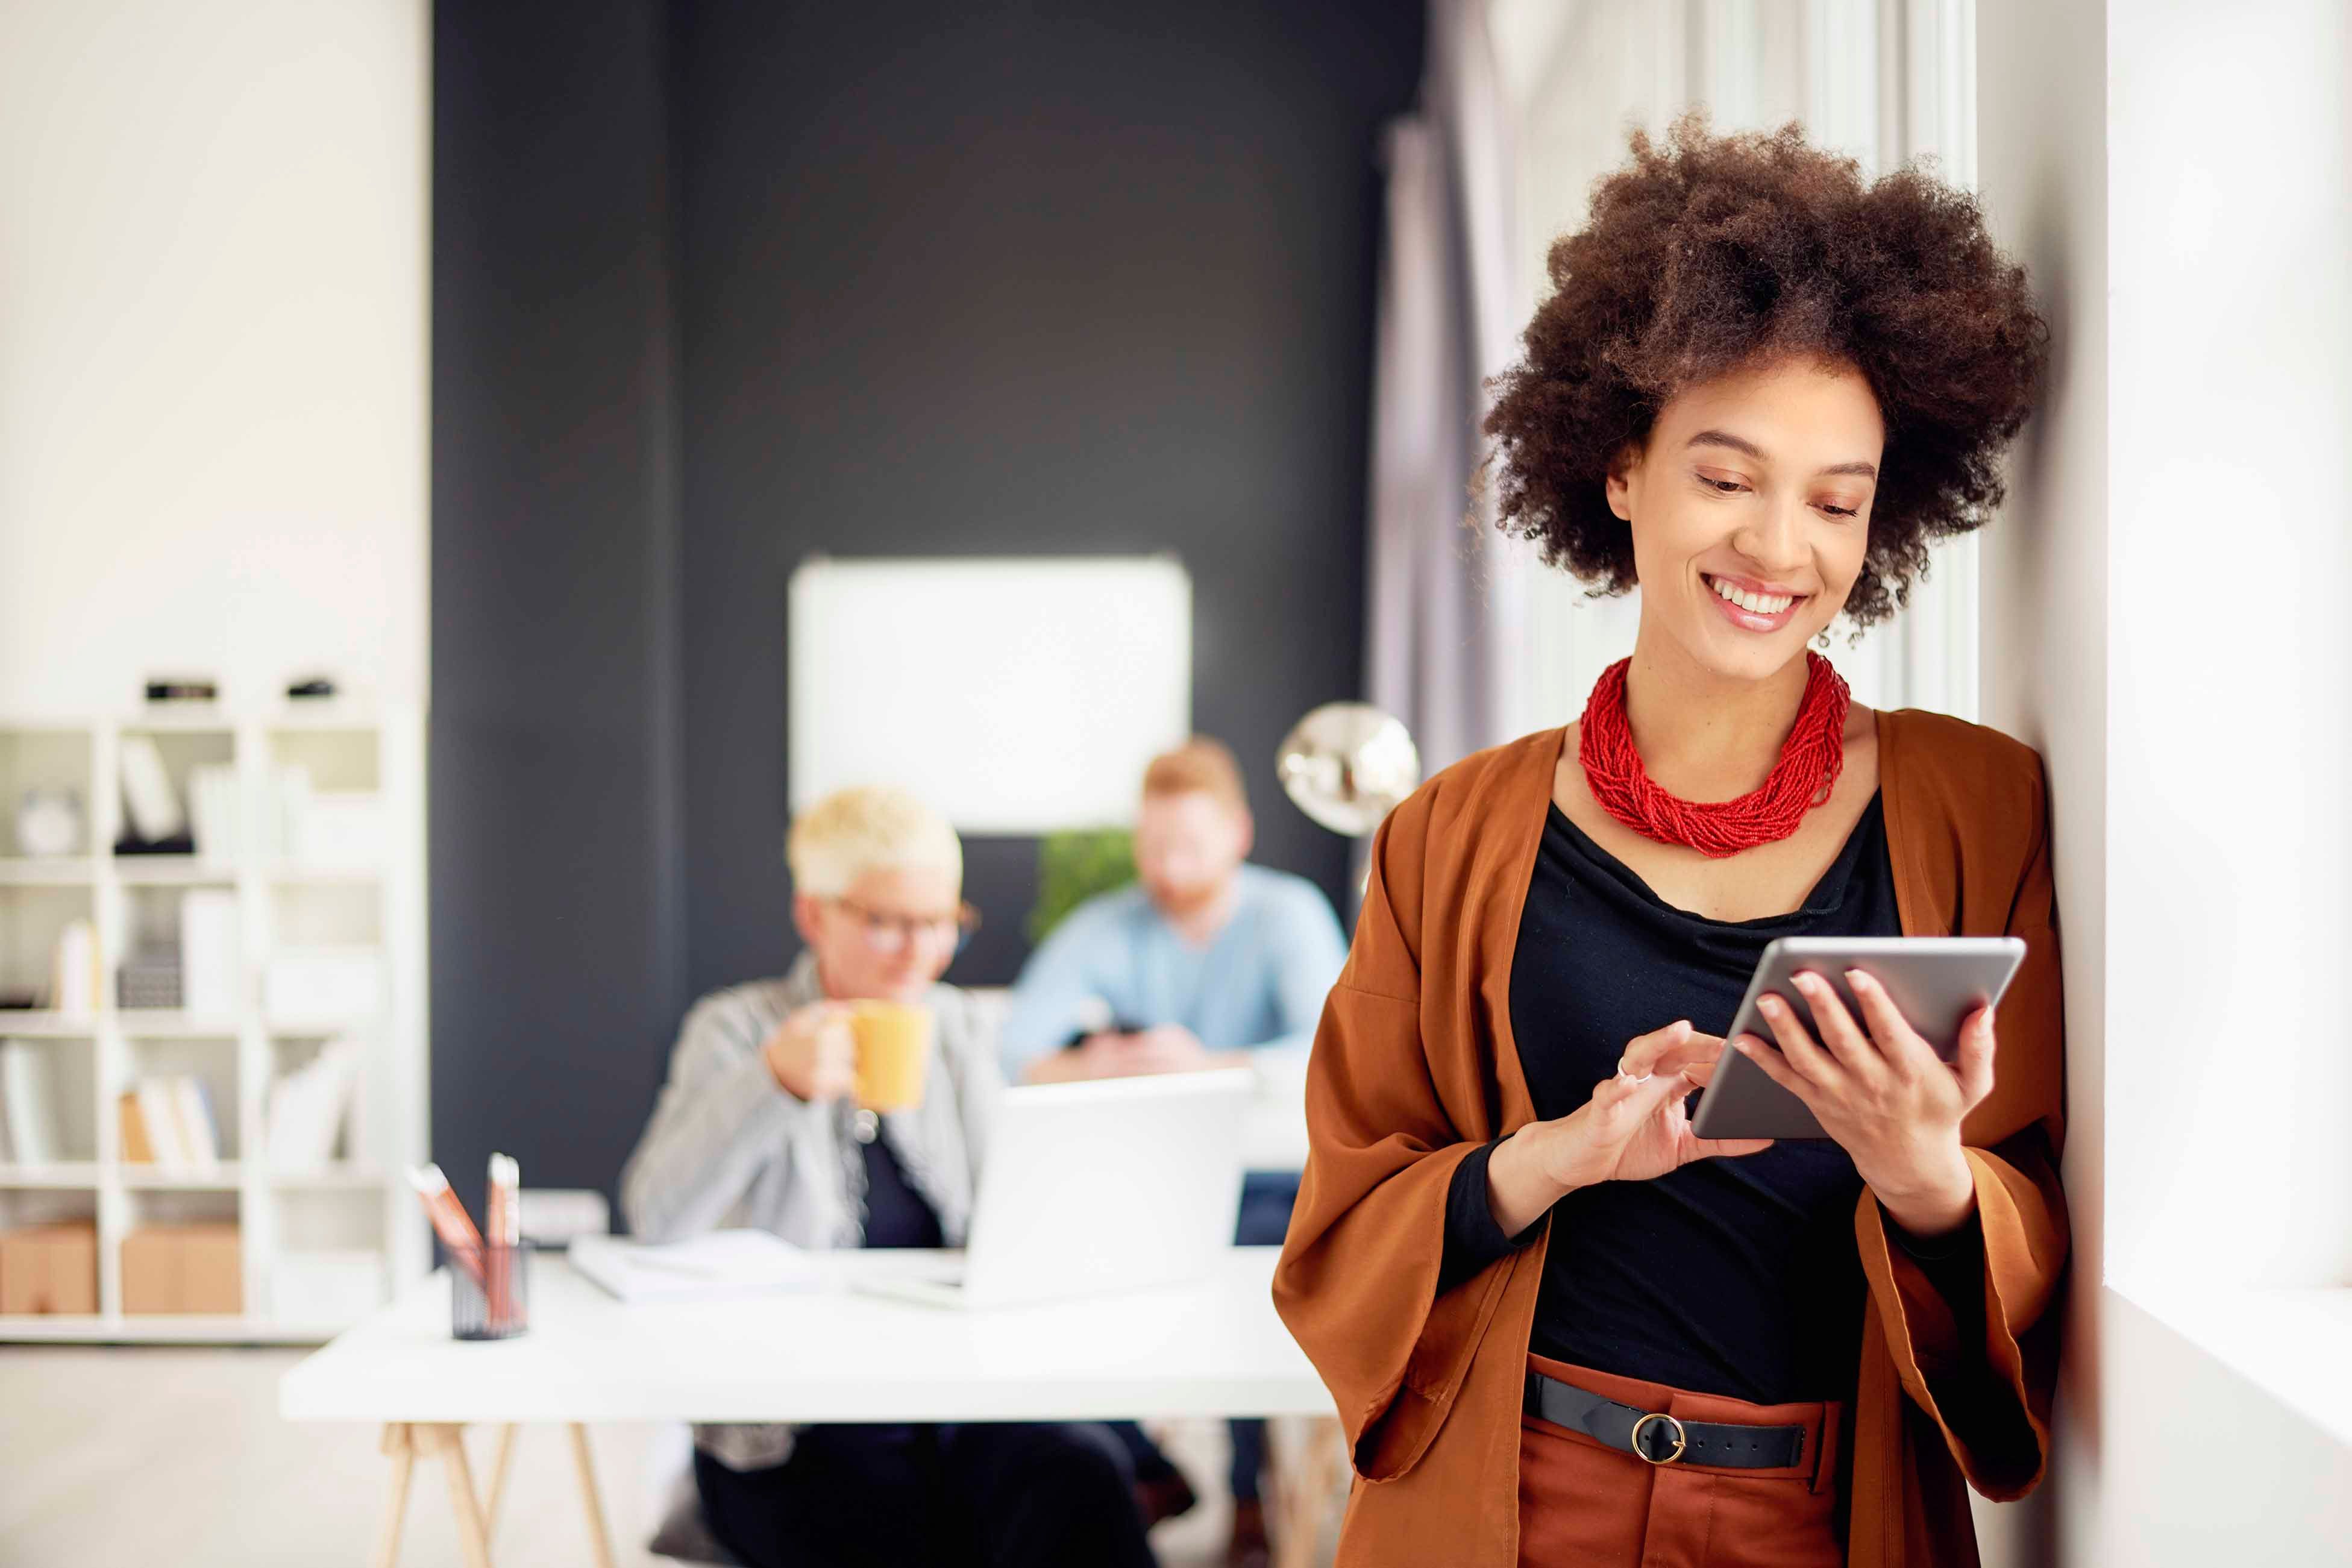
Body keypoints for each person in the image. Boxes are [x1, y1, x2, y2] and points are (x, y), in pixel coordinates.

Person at [1274, 113, 2066, 1568]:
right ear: (1618, 469)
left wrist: (1922, 1172)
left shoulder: (1977, 805)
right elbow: (1341, 1221)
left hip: (1822, 1518)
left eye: (1837, 500)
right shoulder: (1447, 835)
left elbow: (2031, 1220)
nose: (1779, 547)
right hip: (1504, 1504)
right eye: (1722, 475)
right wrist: (1550, 1158)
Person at [620, 785, 1157, 1568]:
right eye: (886, 922)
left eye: (939, 923)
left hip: (957, 1402)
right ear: (815, 916)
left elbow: (1013, 1214)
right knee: (885, 1525)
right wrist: (775, 1082)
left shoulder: (958, 1026)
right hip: (798, 1428)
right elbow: (655, 1213)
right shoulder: (737, 1028)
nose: (919, 951)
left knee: (1083, 1475)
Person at [1001, 736, 1349, 1566]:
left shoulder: (1288, 914)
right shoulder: (1109, 925)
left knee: (1246, 1280)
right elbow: (1017, 1046)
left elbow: (1333, 1050)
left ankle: (1244, 1492)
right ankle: (1139, 1462)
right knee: (1056, 1273)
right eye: (1152, 846)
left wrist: (1206, 1063)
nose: (1167, 866)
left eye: (1188, 845)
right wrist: (1106, 1059)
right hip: (1148, 1179)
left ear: (1238, 831)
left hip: (1272, 1177)